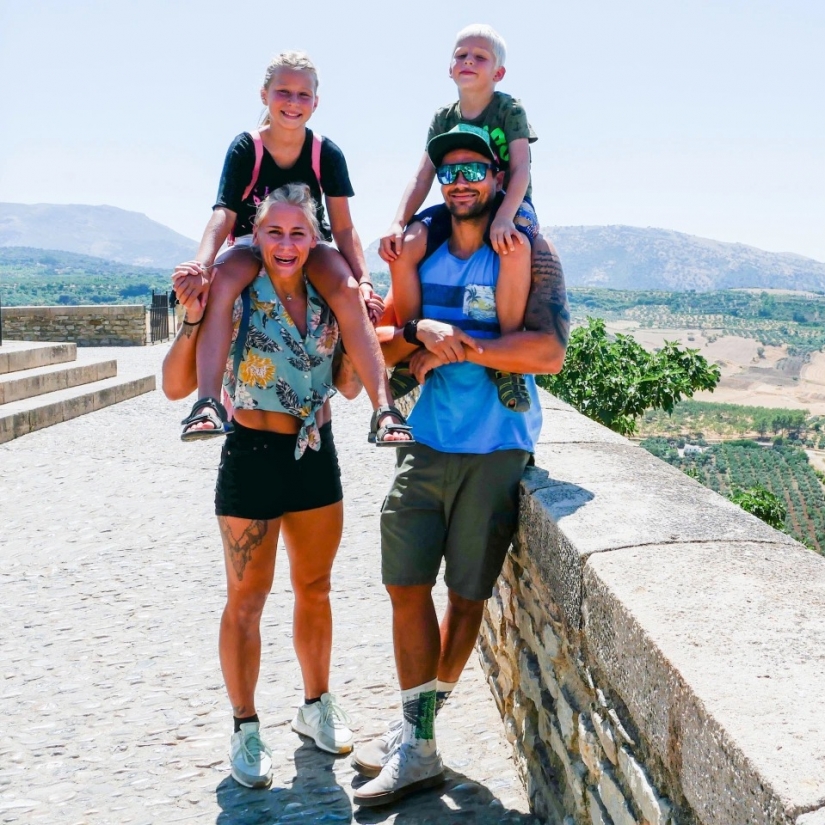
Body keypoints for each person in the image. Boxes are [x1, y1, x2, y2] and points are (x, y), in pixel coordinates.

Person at [162, 184, 409, 790]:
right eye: (274, 232)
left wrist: (372, 330)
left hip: (314, 453)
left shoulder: (332, 296)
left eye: (299, 233)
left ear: (316, 239)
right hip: (251, 453)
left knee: (316, 588)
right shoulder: (237, 292)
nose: (287, 244)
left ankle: (315, 704)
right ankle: (245, 727)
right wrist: (192, 315)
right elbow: (173, 383)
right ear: (256, 236)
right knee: (246, 600)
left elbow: (349, 386)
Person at [351, 129, 568, 807]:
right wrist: (421, 333)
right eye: (449, 171)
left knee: (467, 598)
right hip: (424, 441)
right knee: (405, 584)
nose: (462, 180)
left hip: (496, 446)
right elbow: (379, 344)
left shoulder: (522, 252)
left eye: (475, 167)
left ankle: (416, 734)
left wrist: (460, 351)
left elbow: (547, 352)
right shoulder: (420, 247)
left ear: (499, 177)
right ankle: (417, 741)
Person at [173, 50, 406, 444]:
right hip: (252, 239)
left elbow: (344, 227)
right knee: (223, 283)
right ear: (265, 95)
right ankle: (208, 403)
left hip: (309, 243)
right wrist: (202, 263)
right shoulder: (247, 147)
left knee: (347, 291)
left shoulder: (324, 153)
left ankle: (384, 410)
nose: (293, 103)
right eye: (284, 92)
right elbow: (224, 214)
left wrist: (364, 280)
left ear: (316, 102)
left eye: (303, 95)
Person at [379, 23, 543, 414]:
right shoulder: (443, 118)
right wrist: (397, 223)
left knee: (514, 247)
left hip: (506, 201)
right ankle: (414, 344)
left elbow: (521, 169)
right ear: (449, 68)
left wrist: (505, 217)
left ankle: (508, 361)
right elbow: (422, 175)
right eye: (461, 55)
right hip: (459, 201)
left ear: (497, 73)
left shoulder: (508, 109)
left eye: (480, 57)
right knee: (405, 250)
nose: (468, 61)